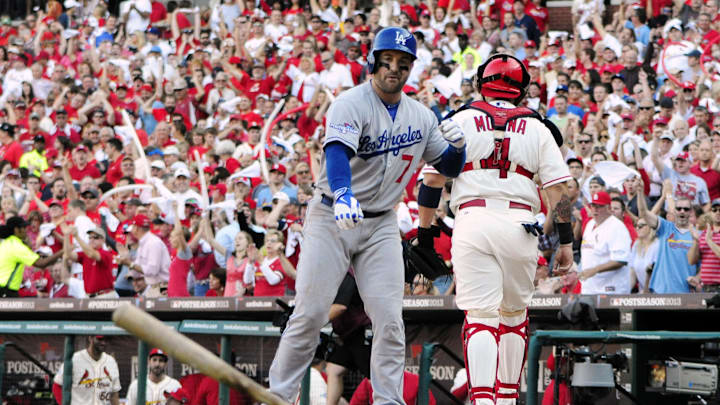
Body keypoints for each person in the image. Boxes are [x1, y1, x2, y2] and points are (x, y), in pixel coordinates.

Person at [268, 26, 467, 404]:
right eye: (387, 61)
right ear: (373, 63)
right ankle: (279, 395)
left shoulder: (422, 116)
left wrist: (458, 147)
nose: (394, 68)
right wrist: (342, 192)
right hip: (333, 214)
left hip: (380, 224)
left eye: (403, 63)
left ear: (411, 69)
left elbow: (448, 166)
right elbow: (337, 153)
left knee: (390, 320)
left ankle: (388, 400)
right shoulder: (350, 102)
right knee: (310, 313)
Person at [417, 54, 574, 405]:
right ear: (523, 90)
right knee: (514, 316)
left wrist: (425, 234)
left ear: (479, 84)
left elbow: (431, 182)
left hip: (472, 220)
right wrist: (566, 243)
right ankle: (506, 400)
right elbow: (559, 192)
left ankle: (484, 400)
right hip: (520, 224)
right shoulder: (539, 126)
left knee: (480, 317)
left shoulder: (458, 120)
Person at [637, 184, 698, 293]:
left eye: (686, 209)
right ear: (674, 211)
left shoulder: (698, 235)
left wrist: (697, 278)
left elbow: (704, 265)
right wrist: (640, 192)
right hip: (662, 290)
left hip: (687, 292)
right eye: (679, 208)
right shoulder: (665, 227)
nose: (682, 211)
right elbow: (643, 213)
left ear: (690, 212)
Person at [578, 191, 633, 294]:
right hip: (589, 287)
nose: (594, 209)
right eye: (593, 206)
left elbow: (620, 260)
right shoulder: (590, 224)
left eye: (599, 206)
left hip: (611, 289)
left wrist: (595, 270)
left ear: (608, 208)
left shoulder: (617, 227)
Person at [0, 216, 62, 297]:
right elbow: (41, 263)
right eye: (24, 227)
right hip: (6, 291)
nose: (26, 230)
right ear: (16, 230)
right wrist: (62, 252)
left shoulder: (6, 242)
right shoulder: (17, 246)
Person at [52, 336, 121, 405]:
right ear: (90, 338)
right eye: (99, 339)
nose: (103, 342)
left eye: (106, 339)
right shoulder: (75, 359)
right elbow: (57, 385)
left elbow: (114, 394)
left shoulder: (111, 362)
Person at [688, 198, 720, 292]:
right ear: (710, 212)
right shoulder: (704, 233)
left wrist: (709, 241)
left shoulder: (706, 236)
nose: (717, 212)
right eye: (714, 210)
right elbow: (692, 261)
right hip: (706, 288)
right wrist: (695, 242)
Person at [629, 218, 659, 293]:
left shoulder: (657, 245)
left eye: (641, 226)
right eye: (636, 225)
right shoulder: (636, 244)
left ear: (651, 227)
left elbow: (653, 273)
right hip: (643, 292)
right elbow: (632, 272)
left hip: (658, 293)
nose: (637, 228)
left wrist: (646, 291)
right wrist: (625, 291)